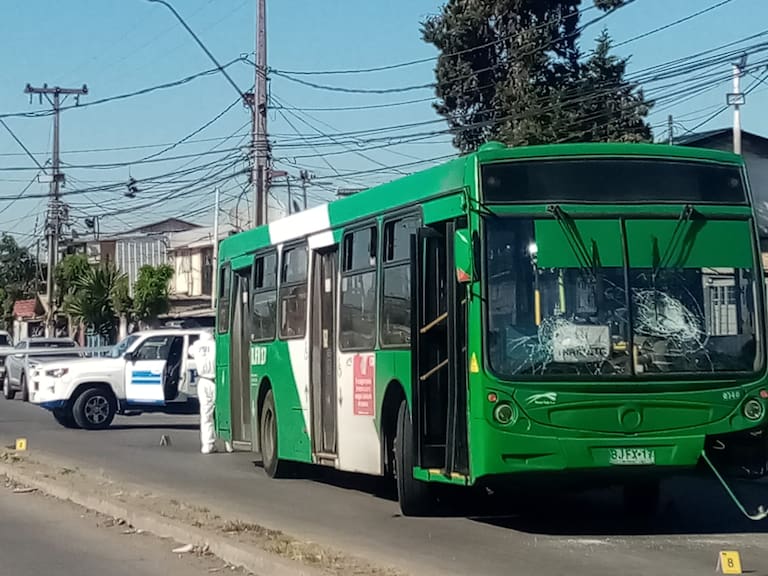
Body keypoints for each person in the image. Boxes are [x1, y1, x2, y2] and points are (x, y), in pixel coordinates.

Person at [188, 331, 218, 454]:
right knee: (222, 411)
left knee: (206, 414)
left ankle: (208, 445)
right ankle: (229, 444)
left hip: (203, 381)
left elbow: (190, 351)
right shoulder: (216, 345)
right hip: (217, 381)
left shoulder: (196, 346)